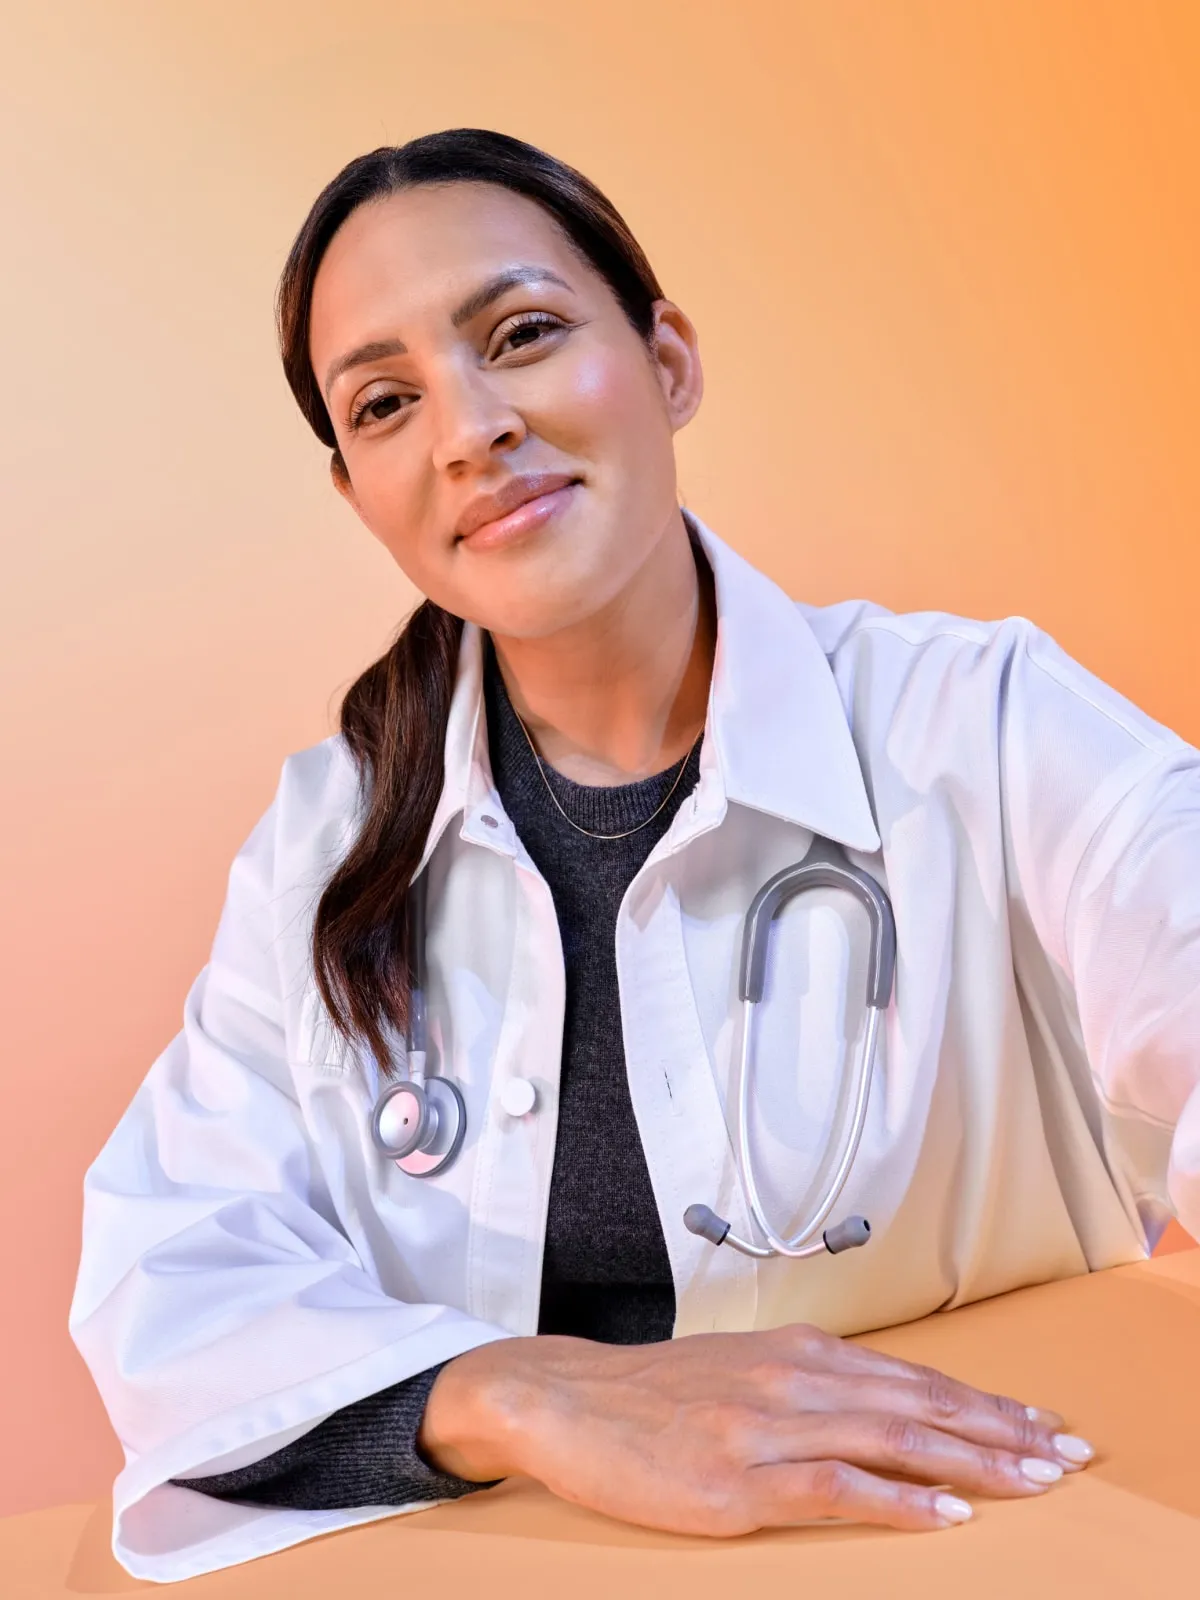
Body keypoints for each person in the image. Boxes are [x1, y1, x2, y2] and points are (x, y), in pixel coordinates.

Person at [69, 128, 1200, 1584]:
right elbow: (166, 1274)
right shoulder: (329, 845)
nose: (469, 430)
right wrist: (532, 1395)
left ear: (668, 361)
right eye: (388, 401)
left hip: (967, 1549)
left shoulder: (980, 722)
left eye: (523, 333)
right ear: (358, 493)